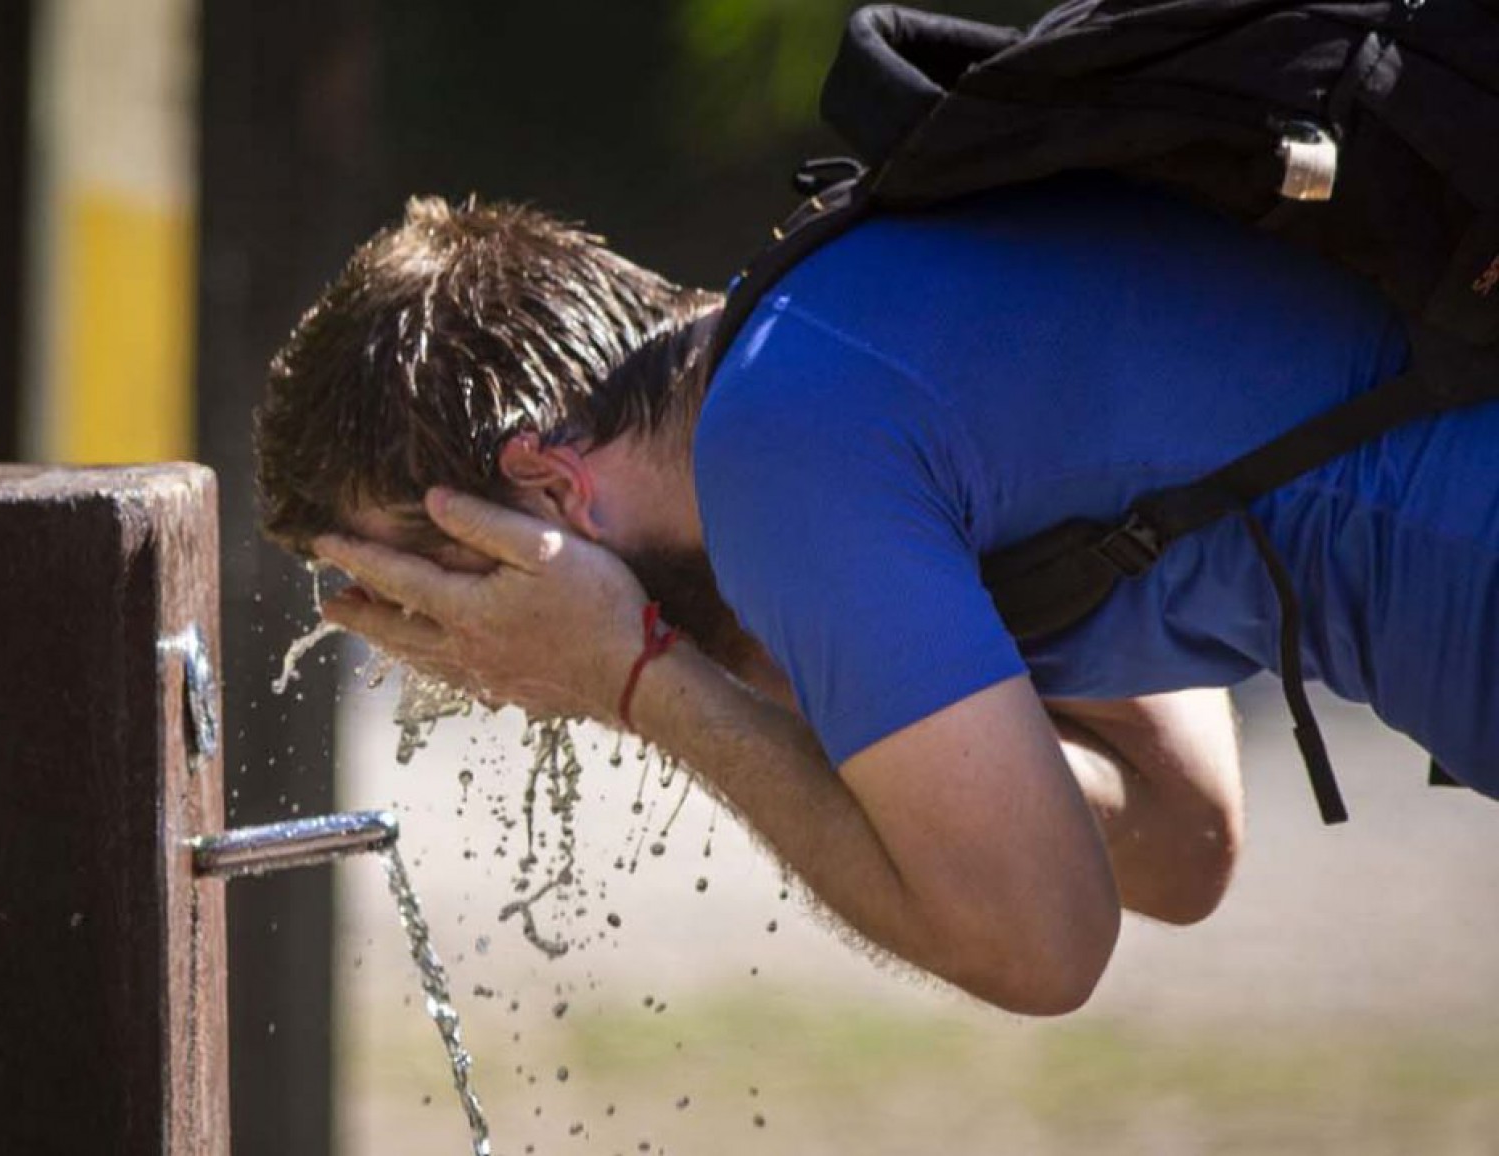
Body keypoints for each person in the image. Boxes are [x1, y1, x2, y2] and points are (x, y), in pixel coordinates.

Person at [254, 181, 1499, 1015]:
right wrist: (722, 658)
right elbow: (1182, 838)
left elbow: (1041, 942)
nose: (459, 655)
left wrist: (636, 677)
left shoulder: (779, 447)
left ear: (544, 483)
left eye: (434, 586)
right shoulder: (835, 331)